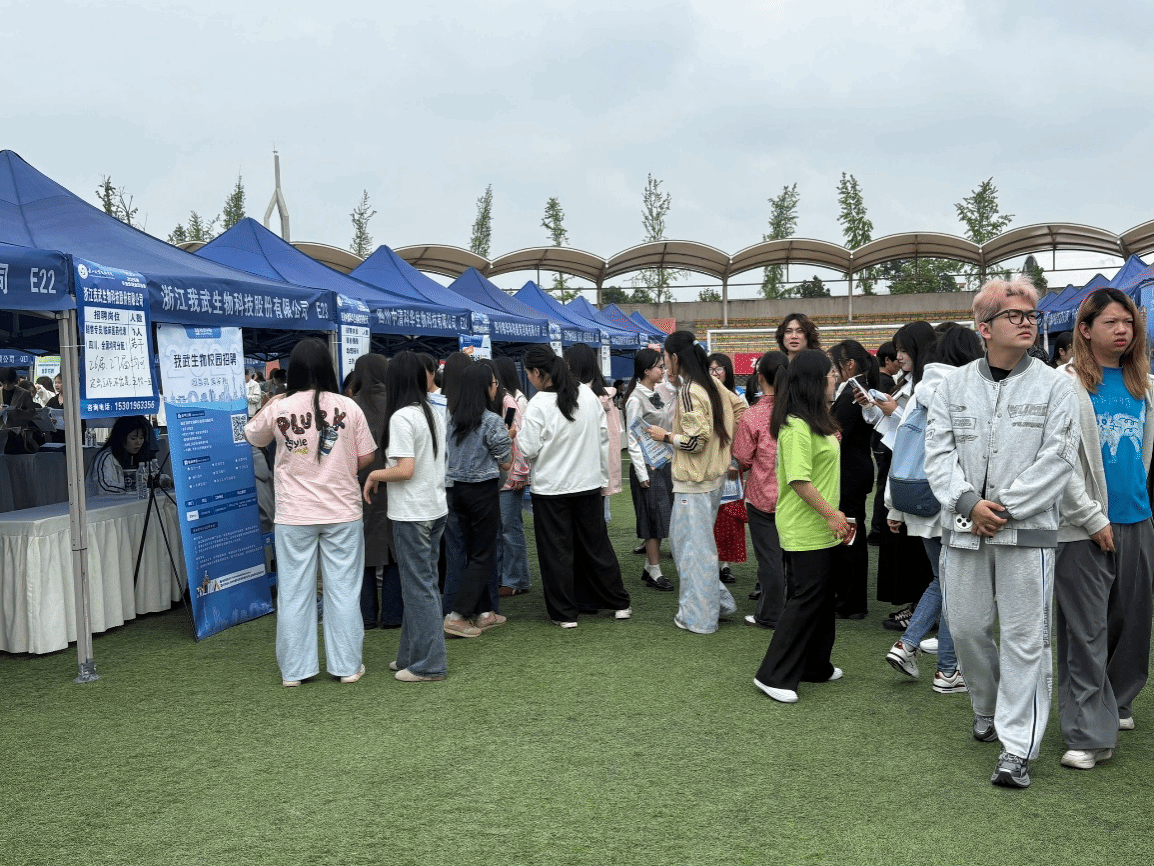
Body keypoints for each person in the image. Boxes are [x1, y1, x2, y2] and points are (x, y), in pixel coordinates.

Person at [925, 277, 1078, 788]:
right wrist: (969, 503)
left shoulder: (1056, 385)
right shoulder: (952, 386)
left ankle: (1018, 747)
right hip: (963, 530)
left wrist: (1005, 508)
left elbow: (1059, 458)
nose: (1027, 322)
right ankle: (987, 706)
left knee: (1025, 639)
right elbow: (938, 454)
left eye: (1031, 315)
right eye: (1015, 315)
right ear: (984, 327)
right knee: (967, 629)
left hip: (1027, 535)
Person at [1055, 288, 1154, 769]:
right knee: (1086, 631)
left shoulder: (1145, 385)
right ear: (1085, 328)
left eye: (1129, 322)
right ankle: (1088, 733)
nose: (1122, 330)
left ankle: (1118, 699)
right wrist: (1092, 517)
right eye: (1111, 321)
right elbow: (1059, 461)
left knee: (1132, 623)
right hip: (1081, 525)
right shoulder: (1064, 384)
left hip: (1138, 517)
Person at [244, 337, 376, 688]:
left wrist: (272, 402)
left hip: (294, 514)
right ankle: (347, 666)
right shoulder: (348, 406)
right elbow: (367, 456)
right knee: (343, 590)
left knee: (294, 592)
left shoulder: (280, 406)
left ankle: (295, 671)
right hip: (342, 510)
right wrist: (340, 464)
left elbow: (253, 436)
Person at [883, 324, 984, 694]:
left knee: (945, 581)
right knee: (956, 586)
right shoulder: (964, 390)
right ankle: (942, 667)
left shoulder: (920, 390)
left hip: (917, 501)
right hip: (953, 504)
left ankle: (917, 650)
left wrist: (893, 507)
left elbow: (901, 449)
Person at [753, 350, 848, 702]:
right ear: (815, 381)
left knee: (820, 598)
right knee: (806, 599)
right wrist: (831, 513)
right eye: (830, 374)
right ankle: (772, 675)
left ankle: (815, 665)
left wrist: (832, 516)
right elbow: (798, 480)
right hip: (805, 526)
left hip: (822, 526)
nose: (835, 378)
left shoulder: (815, 420)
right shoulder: (795, 426)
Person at [518, 345, 631, 628]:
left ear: (536, 372)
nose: (529, 378)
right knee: (596, 546)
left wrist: (517, 436)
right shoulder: (587, 395)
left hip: (552, 488)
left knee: (556, 551)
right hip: (588, 483)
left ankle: (564, 613)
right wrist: (602, 477)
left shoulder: (538, 404)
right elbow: (604, 439)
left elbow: (528, 448)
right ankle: (618, 602)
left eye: (528, 373)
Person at [646, 331, 745, 634]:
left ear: (675, 357)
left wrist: (666, 436)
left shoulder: (691, 389)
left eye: (665, 357)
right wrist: (723, 446)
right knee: (695, 547)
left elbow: (694, 442)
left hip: (696, 481)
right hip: (711, 478)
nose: (665, 363)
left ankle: (699, 617)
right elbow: (739, 408)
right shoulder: (711, 383)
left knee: (692, 550)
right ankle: (717, 604)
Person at [363, 351, 450, 682]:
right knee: (423, 584)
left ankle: (429, 664)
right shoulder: (430, 411)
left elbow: (405, 469)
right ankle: (411, 656)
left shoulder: (402, 417)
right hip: (434, 508)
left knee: (419, 589)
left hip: (413, 513)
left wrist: (375, 475)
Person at [859, 322, 937, 631]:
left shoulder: (931, 384)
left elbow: (926, 430)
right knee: (910, 546)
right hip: (902, 466)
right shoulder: (907, 381)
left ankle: (923, 610)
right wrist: (875, 408)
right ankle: (918, 605)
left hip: (919, 472)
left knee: (920, 549)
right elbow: (891, 425)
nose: (899, 356)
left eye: (904, 350)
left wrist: (894, 412)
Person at [443, 363, 513, 637]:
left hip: (454, 490)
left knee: (468, 551)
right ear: (485, 388)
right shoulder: (491, 420)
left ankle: (484, 613)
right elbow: (506, 463)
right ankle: (458, 615)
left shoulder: (451, 418)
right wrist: (508, 438)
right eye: (494, 384)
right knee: (483, 553)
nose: (496, 388)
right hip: (482, 491)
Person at [734, 351, 788, 628]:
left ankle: (770, 613)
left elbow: (742, 457)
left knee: (770, 559)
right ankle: (796, 608)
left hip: (763, 496)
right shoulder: (801, 410)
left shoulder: (753, 415)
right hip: (798, 495)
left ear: (759, 377)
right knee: (794, 557)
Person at [350, 353, 403, 631]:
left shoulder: (350, 406)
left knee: (363, 549)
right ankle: (394, 614)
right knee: (394, 549)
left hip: (358, 486)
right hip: (395, 482)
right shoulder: (397, 404)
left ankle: (366, 614)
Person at [827, 340, 877, 620]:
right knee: (850, 538)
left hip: (850, 475)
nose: (833, 372)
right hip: (854, 473)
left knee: (850, 540)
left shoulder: (853, 393)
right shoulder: (853, 391)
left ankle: (851, 601)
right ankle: (849, 598)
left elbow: (837, 434)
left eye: (835, 366)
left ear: (849, 364)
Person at [624, 348, 675, 591]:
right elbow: (632, 438)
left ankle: (650, 566)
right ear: (646, 371)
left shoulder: (656, 393)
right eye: (659, 367)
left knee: (662, 516)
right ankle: (655, 570)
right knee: (652, 517)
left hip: (662, 462)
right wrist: (642, 472)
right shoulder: (635, 399)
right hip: (648, 466)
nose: (663, 370)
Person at [565, 343, 623, 519]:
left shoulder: (583, 398)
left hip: (584, 471)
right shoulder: (605, 396)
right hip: (600, 470)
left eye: (567, 364)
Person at [708, 352, 749, 585]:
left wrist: (735, 460)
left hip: (731, 466)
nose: (715, 373)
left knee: (730, 517)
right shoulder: (703, 395)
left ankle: (726, 565)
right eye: (711, 369)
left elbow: (744, 433)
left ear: (728, 371)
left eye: (719, 369)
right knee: (710, 516)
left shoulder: (737, 396)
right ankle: (711, 562)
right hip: (708, 465)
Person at [494, 356, 532, 597]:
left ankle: (516, 579)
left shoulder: (508, 402)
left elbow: (516, 436)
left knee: (510, 529)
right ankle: (504, 577)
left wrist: (519, 471)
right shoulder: (500, 401)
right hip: (500, 477)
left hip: (509, 477)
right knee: (501, 531)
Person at [86, 415, 167, 495]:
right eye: (133, 438)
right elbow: (103, 487)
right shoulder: (106, 457)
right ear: (121, 438)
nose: (138, 442)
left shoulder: (143, 456)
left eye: (141, 438)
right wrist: (135, 486)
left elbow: (155, 475)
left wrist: (163, 480)